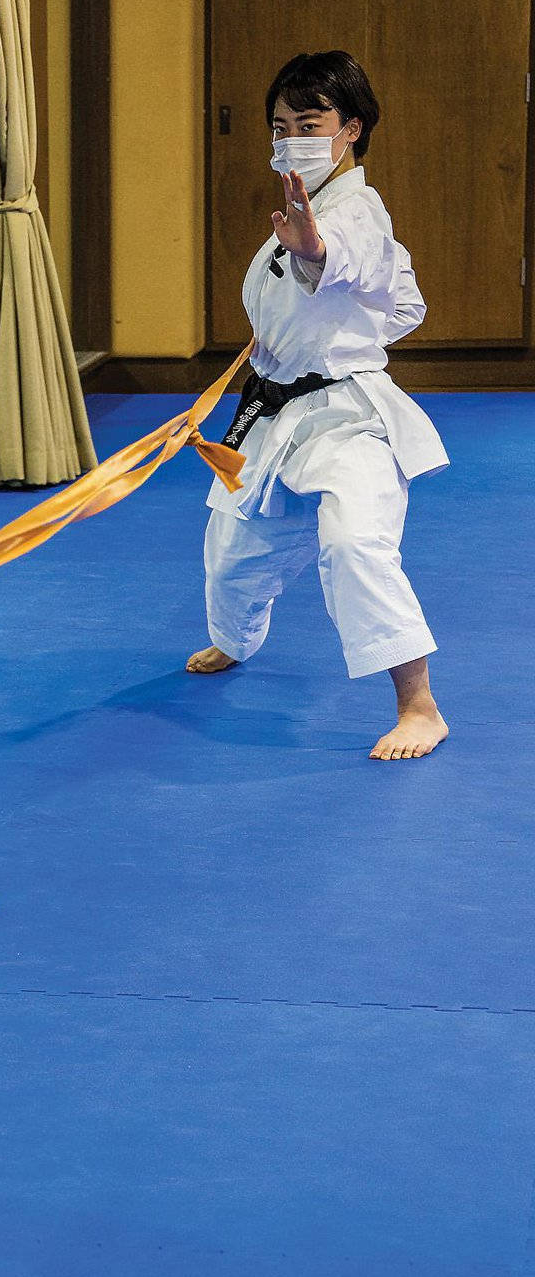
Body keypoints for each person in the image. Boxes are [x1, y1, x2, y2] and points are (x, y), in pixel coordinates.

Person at [186, 51, 449, 760]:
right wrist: (340, 320)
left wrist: (315, 255)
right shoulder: (311, 203)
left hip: (347, 420)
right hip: (273, 417)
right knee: (231, 558)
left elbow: (349, 258)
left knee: (355, 541)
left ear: (351, 128)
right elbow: (404, 302)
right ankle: (234, 641)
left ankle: (419, 706)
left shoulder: (353, 212)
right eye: (280, 124)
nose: (292, 136)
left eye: (311, 122)